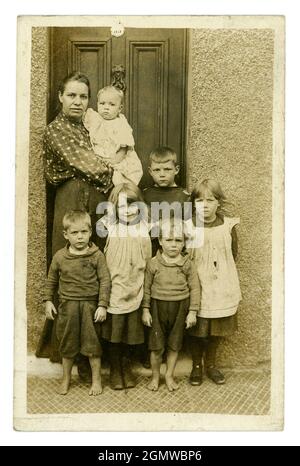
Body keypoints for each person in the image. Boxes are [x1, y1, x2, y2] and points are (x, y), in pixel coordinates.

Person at [37, 71, 113, 378]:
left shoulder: (91, 125)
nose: (77, 101)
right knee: (72, 270)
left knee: (99, 267)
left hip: (98, 201)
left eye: (83, 96)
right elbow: (93, 165)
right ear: (60, 97)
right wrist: (117, 169)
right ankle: (71, 351)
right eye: (71, 95)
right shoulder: (56, 130)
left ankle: (100, 347)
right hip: (71, 200)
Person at [44, 210, 111, 395]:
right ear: (66, 234)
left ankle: (96, 380)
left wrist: (102, 305)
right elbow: (51, 280)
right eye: (74, 233)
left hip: (90, 307)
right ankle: (66, 378)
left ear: (90, 232)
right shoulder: (60, 256)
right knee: (68, 344)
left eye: (84, 232)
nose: (80, 237)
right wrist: (48, 301)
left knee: (93, 345)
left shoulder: (97, 256)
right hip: (68, 306)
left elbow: (105, 280)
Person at [96, 182, 152, 390]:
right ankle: (115, 368)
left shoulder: (144, 226)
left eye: (132, 205)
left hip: (136, 285)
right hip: (115, 287)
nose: (128, 211)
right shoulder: (111, 225)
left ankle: (127, 367)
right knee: (115, 331)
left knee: (131, 332)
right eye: (122, 206)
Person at [187, 179, 242, 386]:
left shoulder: (227, 225)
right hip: (197, 283)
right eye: (200, 200)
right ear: (194, 203)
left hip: (221, 283)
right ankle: (196, 365)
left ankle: (211, 364)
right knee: (197, 328)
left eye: (210, 200)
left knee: (216, 327)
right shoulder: (188, 226)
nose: (205, 205)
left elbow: (233, 253)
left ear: (219, 202)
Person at [141, 146, 191, 367]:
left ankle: (172, 349)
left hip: (175, 259)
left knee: (172, 306)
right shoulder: (145, 195)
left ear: (176, 169)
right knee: (151, 303)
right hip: (151, 256)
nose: (162, 174)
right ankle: (151, 350)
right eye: (157, 170)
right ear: (150, 171)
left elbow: (189, 229)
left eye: (167, 169)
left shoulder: (183, 196)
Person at [142, 218, 200, 392]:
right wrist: (145, 310)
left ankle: (169, 375)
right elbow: (146, 288)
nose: (173, 245)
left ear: (184, 243)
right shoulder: (153, 263)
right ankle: (154, 377)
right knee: (156, 346)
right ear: (160, 241)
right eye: (168, 240)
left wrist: (193, 312)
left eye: (178, 241)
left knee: (174, 344)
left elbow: (195, 288)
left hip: (180, 307)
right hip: (157, 308)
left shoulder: (187, 264)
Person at [83, 85, 143, 186]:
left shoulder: (121, 124)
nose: (106, 107)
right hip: (98, 158)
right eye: (102, 103)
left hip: (116, 158)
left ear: (120, 108)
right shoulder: (94, 118)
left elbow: (123, 150)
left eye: (112, 105)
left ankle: (122, 198)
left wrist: (113, 162)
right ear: (97, 104)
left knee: (119, 180)